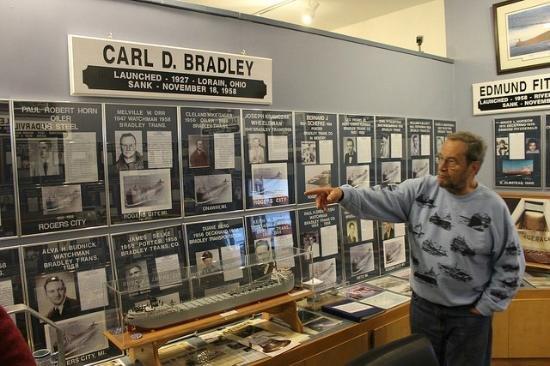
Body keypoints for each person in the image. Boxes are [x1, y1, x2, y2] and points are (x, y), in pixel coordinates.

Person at [305, 131, 525, 366]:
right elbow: (380, 198)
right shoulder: (421, 191)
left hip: (468, 316)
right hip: (425, 310)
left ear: (474, 167)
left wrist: (485, 306)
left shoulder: (492, 207)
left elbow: (511, 264)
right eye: (441, 158)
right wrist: (342, 194)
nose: (441, 166)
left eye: (452, 161)